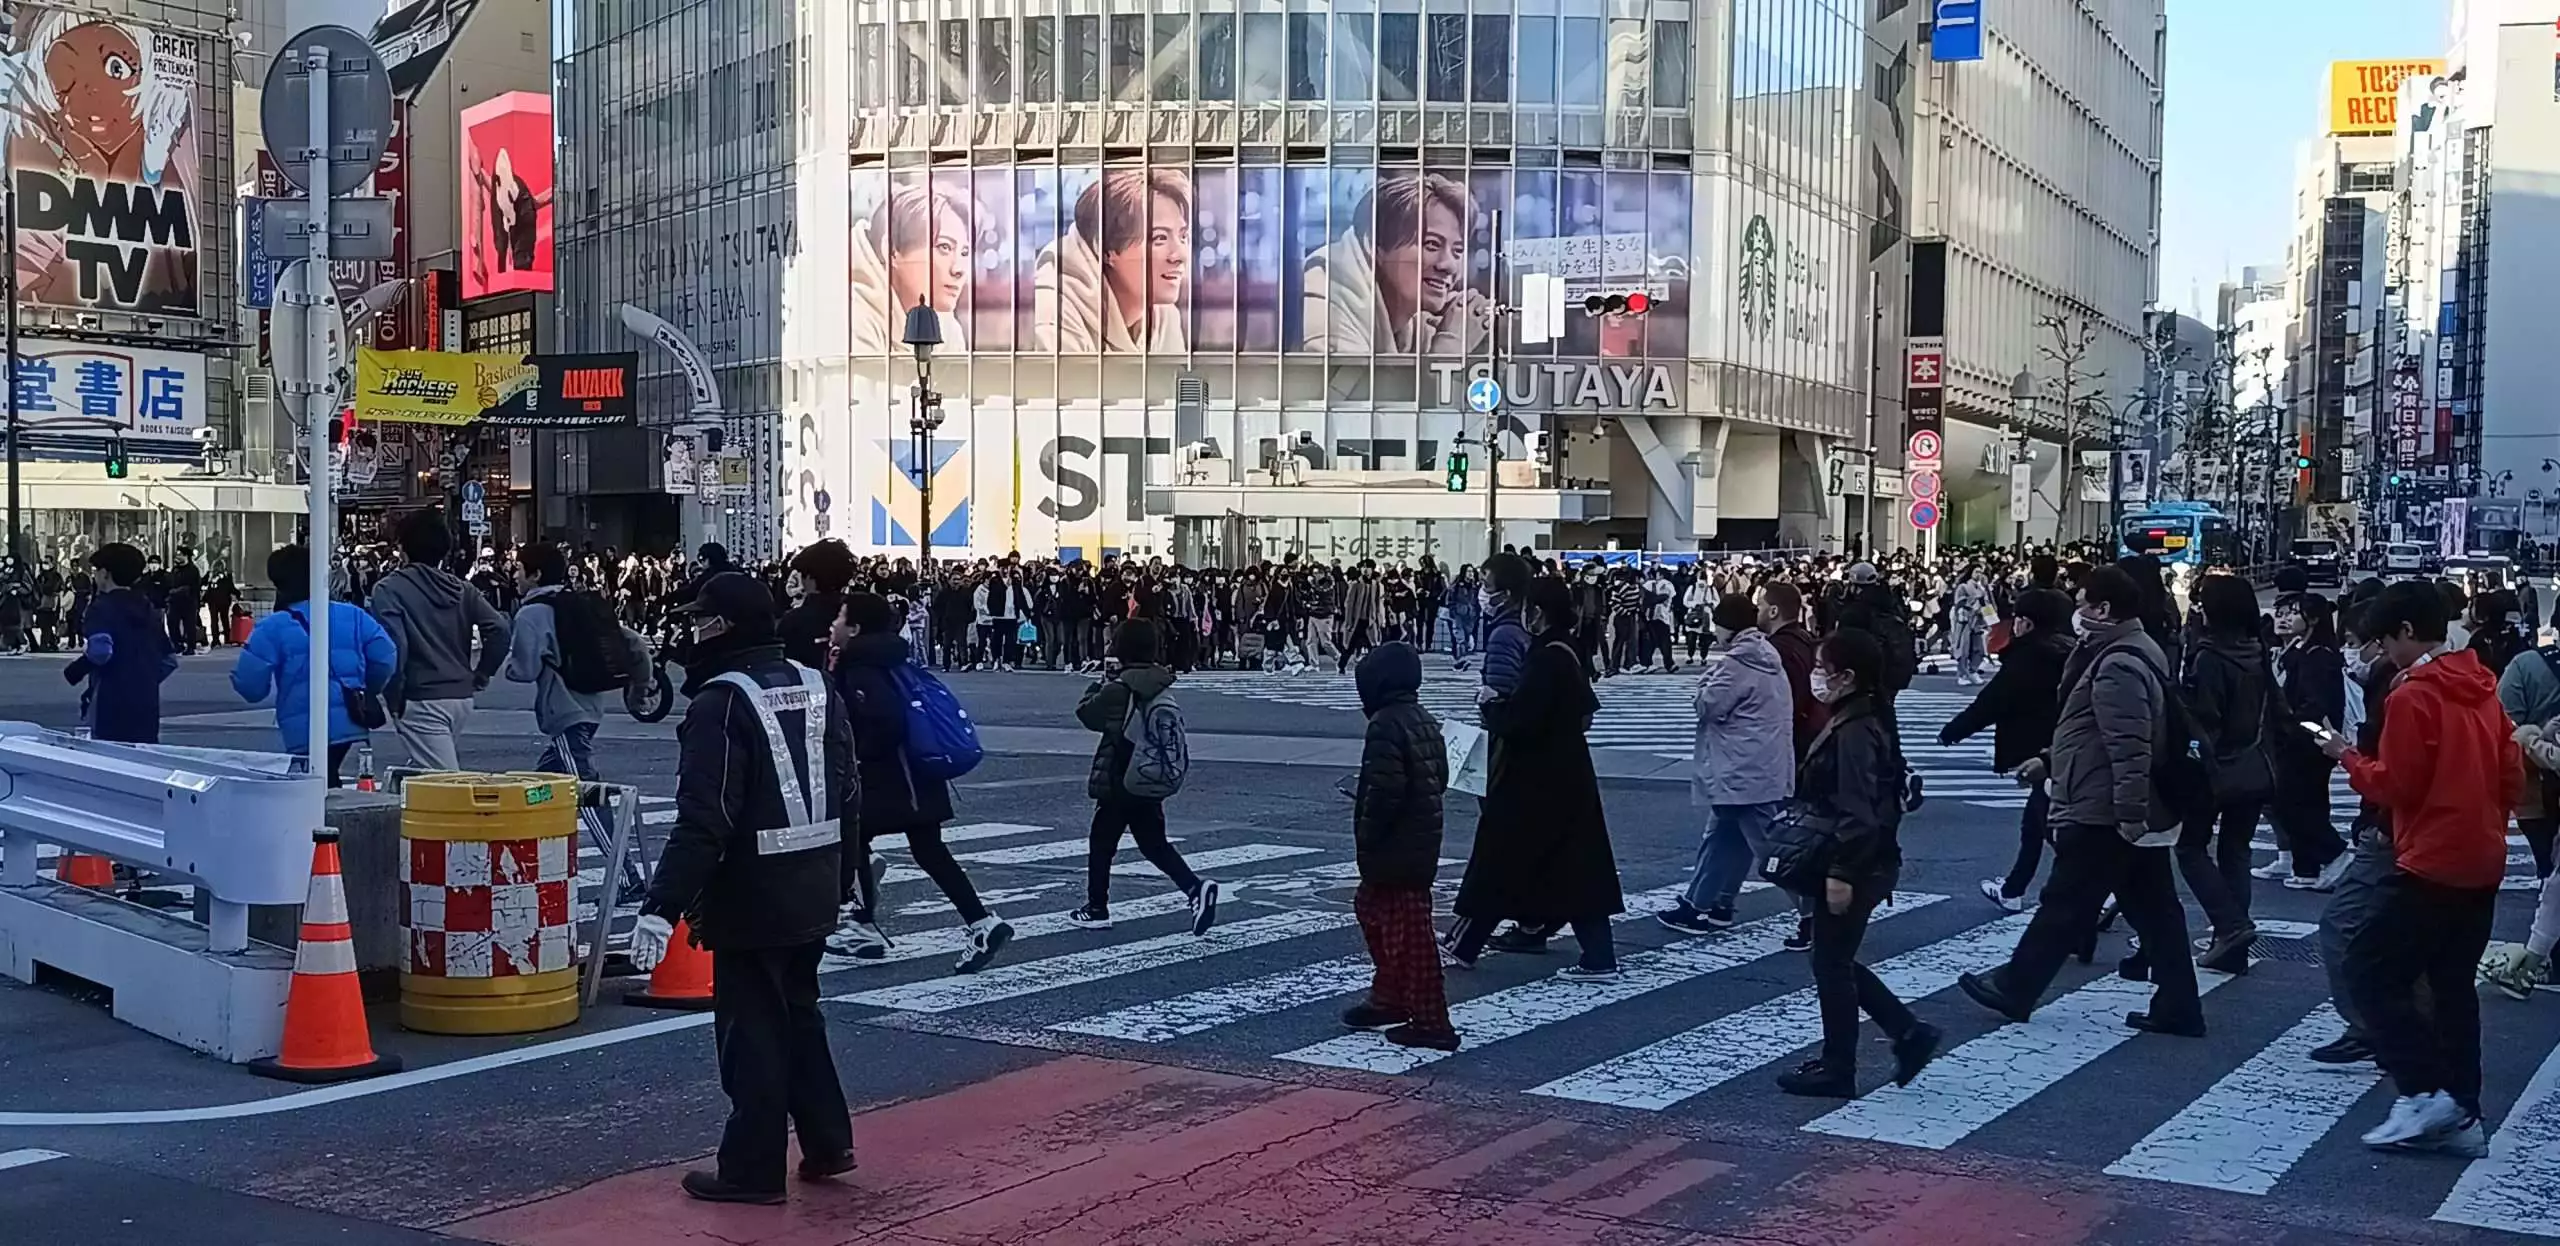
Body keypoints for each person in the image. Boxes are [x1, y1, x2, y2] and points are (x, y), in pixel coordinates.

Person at [630, 572, 856, 1204]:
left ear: (724, 627)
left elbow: (706, 819)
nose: (693, 632)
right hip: (814, 884)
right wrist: (843, 880)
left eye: (702, 620)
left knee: (751, 1031)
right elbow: (849, 792)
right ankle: (828, 1140)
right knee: (800, 1014)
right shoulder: (818, 685)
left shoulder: (720, 703)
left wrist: (661, 907)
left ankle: (752, 1169)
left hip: (753, 894)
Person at [1956, 566, 2203, 1038]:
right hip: (2109, 795)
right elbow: (2093, 730)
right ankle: (2178, 1003)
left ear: (2104, 609)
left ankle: (2017, 985)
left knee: (2066, 900)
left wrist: (2130, 814)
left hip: (2105, 804)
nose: (2078, 610)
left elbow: (2129, 745)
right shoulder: (2122, 650)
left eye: (2084, 602)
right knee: (2154, 908)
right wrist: (2050, 760)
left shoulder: (2118, 663)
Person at [2324, 580, 2525, 1154]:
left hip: (2432, 854)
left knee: (2370, 967)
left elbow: (2398, 785)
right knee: (2451, 984)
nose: (2385, 654)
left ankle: (2422, 1091)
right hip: (2483, 852)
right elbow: (2511, 772)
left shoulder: (2412, 695)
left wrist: (2347, 758)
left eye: (2386, 642)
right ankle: (2462, 1109)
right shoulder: (2483, 685)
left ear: (2407, 632)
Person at [1779, 627, 1942, 1096]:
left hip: (1855, 861)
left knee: (1831, 963)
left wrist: (1841, 872)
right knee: (1834, 958)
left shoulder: (1855, 729)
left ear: (1847, 676)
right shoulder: (1864, 716)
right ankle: (1905, 1033)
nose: (1816, 675)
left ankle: (1842, 1064)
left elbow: (1858, 809)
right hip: (1862, 858)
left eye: (1822, 668)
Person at [1443, 577, 1625, 978]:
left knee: (1496, 859)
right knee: (1578, 867)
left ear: (1537, 613)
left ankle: (1465, 942)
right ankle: (1596, 953)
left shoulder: (1545, 657)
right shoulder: (1569, 649)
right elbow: (1583, 715)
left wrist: (1491, 706)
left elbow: (1520, 722)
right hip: (1570, 773)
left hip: (1532, 778)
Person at [830, 591, 1012, 972]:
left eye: (840, 618)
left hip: (889, 779)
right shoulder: (891, 658)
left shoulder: (861, 666)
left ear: (856, 628)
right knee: (929, 851)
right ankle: (983, 923)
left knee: (854, 839)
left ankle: (861, 924)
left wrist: (856, 756)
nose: (833, 625)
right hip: (919, 774)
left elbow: (882, 722)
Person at [1068, 620, 1220, 933]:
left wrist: (1098, 683)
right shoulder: (1160, 683)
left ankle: (1097, 907)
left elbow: (1087, 714)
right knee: (1154, 844)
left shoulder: (1119, 688)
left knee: (1101, 843)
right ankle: (1194, 888)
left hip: (1120, 776)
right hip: (1148, 774)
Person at [1342, 642, 1457, 1051]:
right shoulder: (1421, 718)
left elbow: (1385, 790)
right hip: (1419, 840)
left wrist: (1368, 836)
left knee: (1409, 936)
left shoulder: (1386, 724)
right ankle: (1388, 995)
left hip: (1397, 847)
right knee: (1376, 913)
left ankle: (1431, 1020)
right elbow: (1438, 776)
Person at [1659, 593, 1797, 935]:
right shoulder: (1768, 656)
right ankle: (1703, 905)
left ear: (1726, 626)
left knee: (1772, 849)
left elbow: (1708, 706)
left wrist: (1704, 681)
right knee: (1724, 837)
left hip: (1742, 769)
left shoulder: (1735, 663)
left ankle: (1814, 915)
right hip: (1761, 763)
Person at [2170, 574, 2279, 974]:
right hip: (2254, 766)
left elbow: (2205, 720)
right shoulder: (2256, 649)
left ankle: (2230, 926)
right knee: (2237, 851)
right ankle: (2232, 948)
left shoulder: (2209, 656)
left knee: (2190, 848)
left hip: (2215, 768)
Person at [1940, 588, 2073, 911]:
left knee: (2049, 826)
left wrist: (1953, 732)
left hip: (2042, 751)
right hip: (2063, 746)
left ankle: (2093, 884)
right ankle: (2014, 889)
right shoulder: (2071, 651)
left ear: (2025, 622)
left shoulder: (2028, 656)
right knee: (2036, 822)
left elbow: (1992, 702)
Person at [230, 546, 397, 785]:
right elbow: (386, 656)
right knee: (329, 777)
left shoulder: (272, 627)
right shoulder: (353, 615)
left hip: (302, 725)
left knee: (316, 783)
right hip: (350, 717)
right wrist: (366, 686)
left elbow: (252, 687)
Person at [368, 510, 509, 772]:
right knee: (426, 769)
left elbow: (394, 647)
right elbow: (499, 629)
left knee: (445, 783)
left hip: (420, 696)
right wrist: (482, 673)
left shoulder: (389, 589)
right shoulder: (462, 589)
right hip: (461, 695)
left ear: (403, 549)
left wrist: (392, 695)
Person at [2263, 593, 2351, 891]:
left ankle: (2335, 853)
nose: (2283, 618)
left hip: (2311, 739)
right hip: (2305, 737)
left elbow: (2314, 706)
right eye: (2280, 612)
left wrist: (2295, 729)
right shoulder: (2298, 651)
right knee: (2303, 801)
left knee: (2296, 802)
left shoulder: (2319, 656)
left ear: (2313, 618)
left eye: (2292, 612)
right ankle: (2306, 867)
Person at [64, 543, 177, 743]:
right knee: (144, 759)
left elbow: (101, 651)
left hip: (110, 699)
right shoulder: (147, 607)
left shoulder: (101, 608)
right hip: (146, 699)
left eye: (96, 571)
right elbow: (169, 659)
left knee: (110, 760)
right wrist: (144, 676)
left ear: (105, 573)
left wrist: (75, 670)